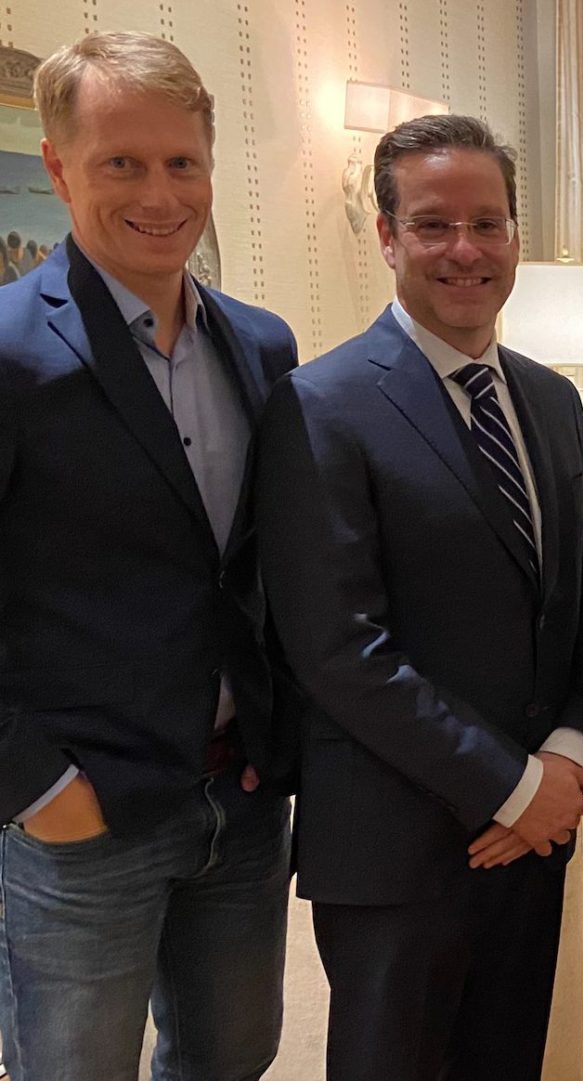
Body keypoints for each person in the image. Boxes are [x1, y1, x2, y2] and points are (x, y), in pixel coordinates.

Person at [254, 114, 583, 1081]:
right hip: (394, 851)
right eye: (433, 224)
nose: (466, 249)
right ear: (386, 235)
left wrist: (570, 759)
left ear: (516, 236)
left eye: (488, 223)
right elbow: (337, 647)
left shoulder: (553, 402)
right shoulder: (319, 403)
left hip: (533, 842)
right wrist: (513, 785)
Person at [0, 31, 297, 1081]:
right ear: (58, 167)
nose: (160, 194)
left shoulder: (262, 344)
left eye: (182, 162)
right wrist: (37, 786)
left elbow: (261, 565)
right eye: (122, 162)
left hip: (241, 801)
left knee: (233, 1058)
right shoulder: (8, 352)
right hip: (83, 816)